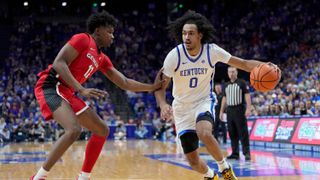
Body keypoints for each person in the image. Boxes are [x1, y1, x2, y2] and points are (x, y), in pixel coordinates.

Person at [31, 11, 163, 180]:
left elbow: (123, 82)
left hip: (67, 91)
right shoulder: (83, 39)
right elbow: (59, 63)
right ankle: (39, 177)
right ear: (98, 30)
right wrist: (81, 89)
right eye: (110, 31)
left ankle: (84, 177)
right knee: (73, 129)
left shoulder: (102, 58)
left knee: (102, 130)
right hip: (51, 86)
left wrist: (152, 87)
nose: (113, 36)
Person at [155, 10, 280, 180]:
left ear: (200, 35)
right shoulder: (174, 56)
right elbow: (159, 85)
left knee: (204, 132)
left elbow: (242, 63)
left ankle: (225, 169)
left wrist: (266, 66)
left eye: (191, 33)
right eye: (184, 33)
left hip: (203, 101)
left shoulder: (211, 51)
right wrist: (163, 104)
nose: (186, 37)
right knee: (193, 161)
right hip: (181, 108)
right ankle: (211, 175)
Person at [219, 67, 252, 161]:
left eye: (233, 71)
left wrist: (248, 108)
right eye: (229, 72)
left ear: (236, 72)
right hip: (229, 110)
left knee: (243, 132)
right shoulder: (225, 85)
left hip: (239, 109)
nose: (231, 73)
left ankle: (247, 153)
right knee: (232, 133)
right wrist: (221, 111)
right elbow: (224, 99)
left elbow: (247, 95)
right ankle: (235, 153)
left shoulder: (242, 83)